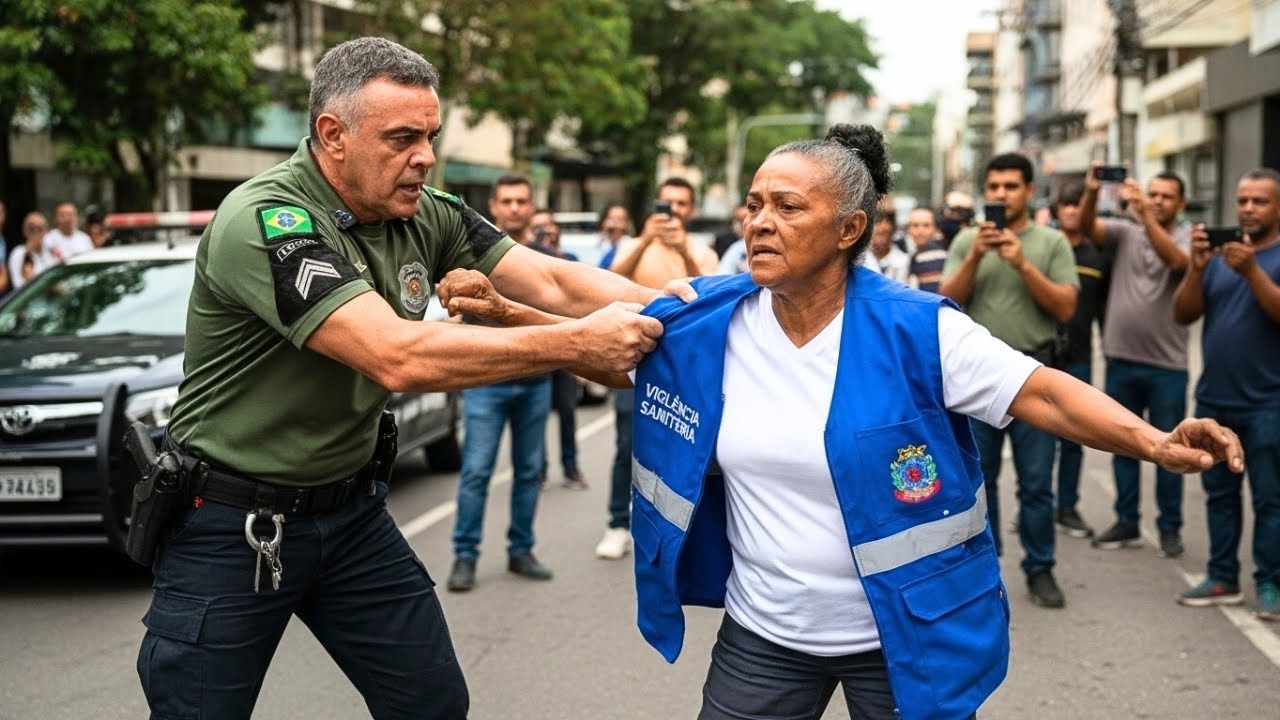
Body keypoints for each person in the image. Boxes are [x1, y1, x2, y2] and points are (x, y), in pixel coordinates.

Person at [451, 124, 1244, 720]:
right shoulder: (715, 318)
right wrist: (510, 314)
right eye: (755, 204)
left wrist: (1154, 440)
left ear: (849, 229)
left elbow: (1043, 393)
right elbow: (612, 349)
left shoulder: (918, 329)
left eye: (787, 207)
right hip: (764, 638)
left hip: (904, 640)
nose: (759, 221)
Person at [139, 37, 668, 720]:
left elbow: (556, 280)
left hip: (351, 514)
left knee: (431, 704)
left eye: (430, 136)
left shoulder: (423, 209)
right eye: (401, 138)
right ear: (333, 135)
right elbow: (397, 355)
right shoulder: (269, 220)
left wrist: (695, 309)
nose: (423, 155)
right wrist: (576, 345)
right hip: (234, 524)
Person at [939, 152, 1080, 608]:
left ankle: (1040, 569)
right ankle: (987, 570)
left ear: (1029, 191)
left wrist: (1022, 264)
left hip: (1034, 376)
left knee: (1037, 482)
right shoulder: (966, 241)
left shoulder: (1051, 243)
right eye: (995, 187)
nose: (1001, 195)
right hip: (975, 381)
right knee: (979, 480)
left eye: (1011, 187)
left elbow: (1065, 308)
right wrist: (977, 256)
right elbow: (946, 304)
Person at [1172, 167, 1280, 620]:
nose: (1249, 209)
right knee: (1219, 495)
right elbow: (1183, 313)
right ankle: (1222, 577)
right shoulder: (1217, 259)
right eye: (1243, 201)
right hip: (1215, 400)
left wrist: (1252, 270)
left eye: (1260, 201)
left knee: (1271, 500)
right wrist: (1197, 270)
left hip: (1267, 402)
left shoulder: (1263, 259)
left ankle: (1270, 584)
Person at [595, 177, 718, 561]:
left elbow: (710, 289)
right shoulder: (634, 244)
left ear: (691, 210)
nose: (673, 212)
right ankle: (617, 523)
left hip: (686, 367)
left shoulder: (701, 249)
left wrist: (683, 249)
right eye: (667, 204)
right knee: (625, 445)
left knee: (687, 446)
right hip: (634, 358)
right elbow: (612, 281)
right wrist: (646, 239)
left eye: (681, 205)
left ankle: (682, 527)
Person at [447, 176, 557, 592]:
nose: (514, 207)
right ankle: (464, 556)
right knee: (476, 471)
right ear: (492, 206)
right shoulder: (469, 256)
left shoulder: (546, 260)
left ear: (531, 207)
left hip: (535, 379)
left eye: (521, 201)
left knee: (530, 471)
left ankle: (521, 550)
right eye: (506, 200)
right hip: (487, 379)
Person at [1078, 163, 1193, 557]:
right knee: (1123, 444)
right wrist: (1092, 192)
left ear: (1182, 203)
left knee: (1171, 450)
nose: (1157, 201)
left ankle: (1170, 527)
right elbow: (1087, 228)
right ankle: (1127, 520)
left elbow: (1177, 263)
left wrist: (1144, 213)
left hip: (1168, 366)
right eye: (1153, 194)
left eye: (1165, 196)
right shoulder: (1125, 232)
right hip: (1121, 359)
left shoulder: (1190, 237)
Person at [1050, 180, 1113, 538]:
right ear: (1057, 211)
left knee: (1074, 438)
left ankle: (1067, 506)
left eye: (1078, 205)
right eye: (1066, 205)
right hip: (1041, 356)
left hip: (1079, 355)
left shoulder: (1096, 254)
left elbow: (1104, 306)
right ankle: (1036, 502)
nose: (1072, 211)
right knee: (1036, 441)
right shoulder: (1045, 247)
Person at [530, 208, 589, 490]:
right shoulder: (525, 264)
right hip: (539, 349)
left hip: (566, 350)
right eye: (539, 230)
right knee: (537, 415)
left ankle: (571, 467)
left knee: (567, 411)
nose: (546, 235)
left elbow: (580, 306)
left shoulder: (570, 262)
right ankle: (538, 470)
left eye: (549, 230)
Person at [8, 212, 59, 290]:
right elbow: (19, 285)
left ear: (46, 231)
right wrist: (27, 254)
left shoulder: (52, 251)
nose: (36, 231)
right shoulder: (18, 253)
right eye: (31, 228)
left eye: (40, 228)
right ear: (24, 231)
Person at [906, 207, 947, 293]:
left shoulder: (939, 256)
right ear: (908, 229)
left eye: (926, 225)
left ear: (935, 229)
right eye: (915, 225)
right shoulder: (913, 255)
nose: (920, 231)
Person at [867, 207, 910, 283]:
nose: (883, 227)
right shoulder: (858, 261)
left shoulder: (903, 260)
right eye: (878, 221)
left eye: (888, 222)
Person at [596, 203, 632, 270]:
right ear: (603, 222)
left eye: (620, 219)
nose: (615, 223)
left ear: (626, 224)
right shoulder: (594, 244)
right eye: (611, 218)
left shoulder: (631, 247)